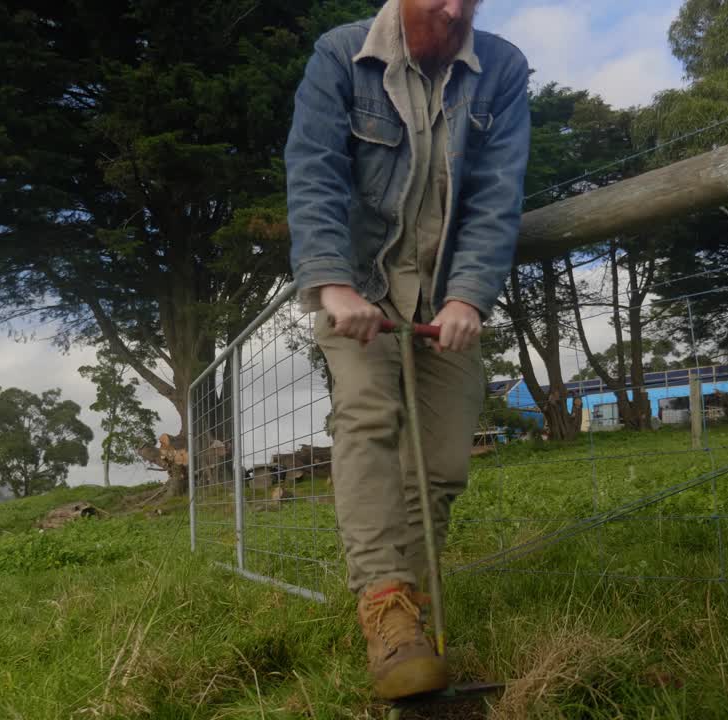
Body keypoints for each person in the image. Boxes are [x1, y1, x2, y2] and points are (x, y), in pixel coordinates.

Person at [284, 0, 530, 700]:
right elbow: (315, 173)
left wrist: (468, 297)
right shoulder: (340, 56)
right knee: (367, 418)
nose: (453, 9)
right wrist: (331, 285)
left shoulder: (503, 70)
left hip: (444, 299)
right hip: (358, 288)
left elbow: (495, 193)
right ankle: (387, 613)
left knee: (447, 459)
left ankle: (412, 611)